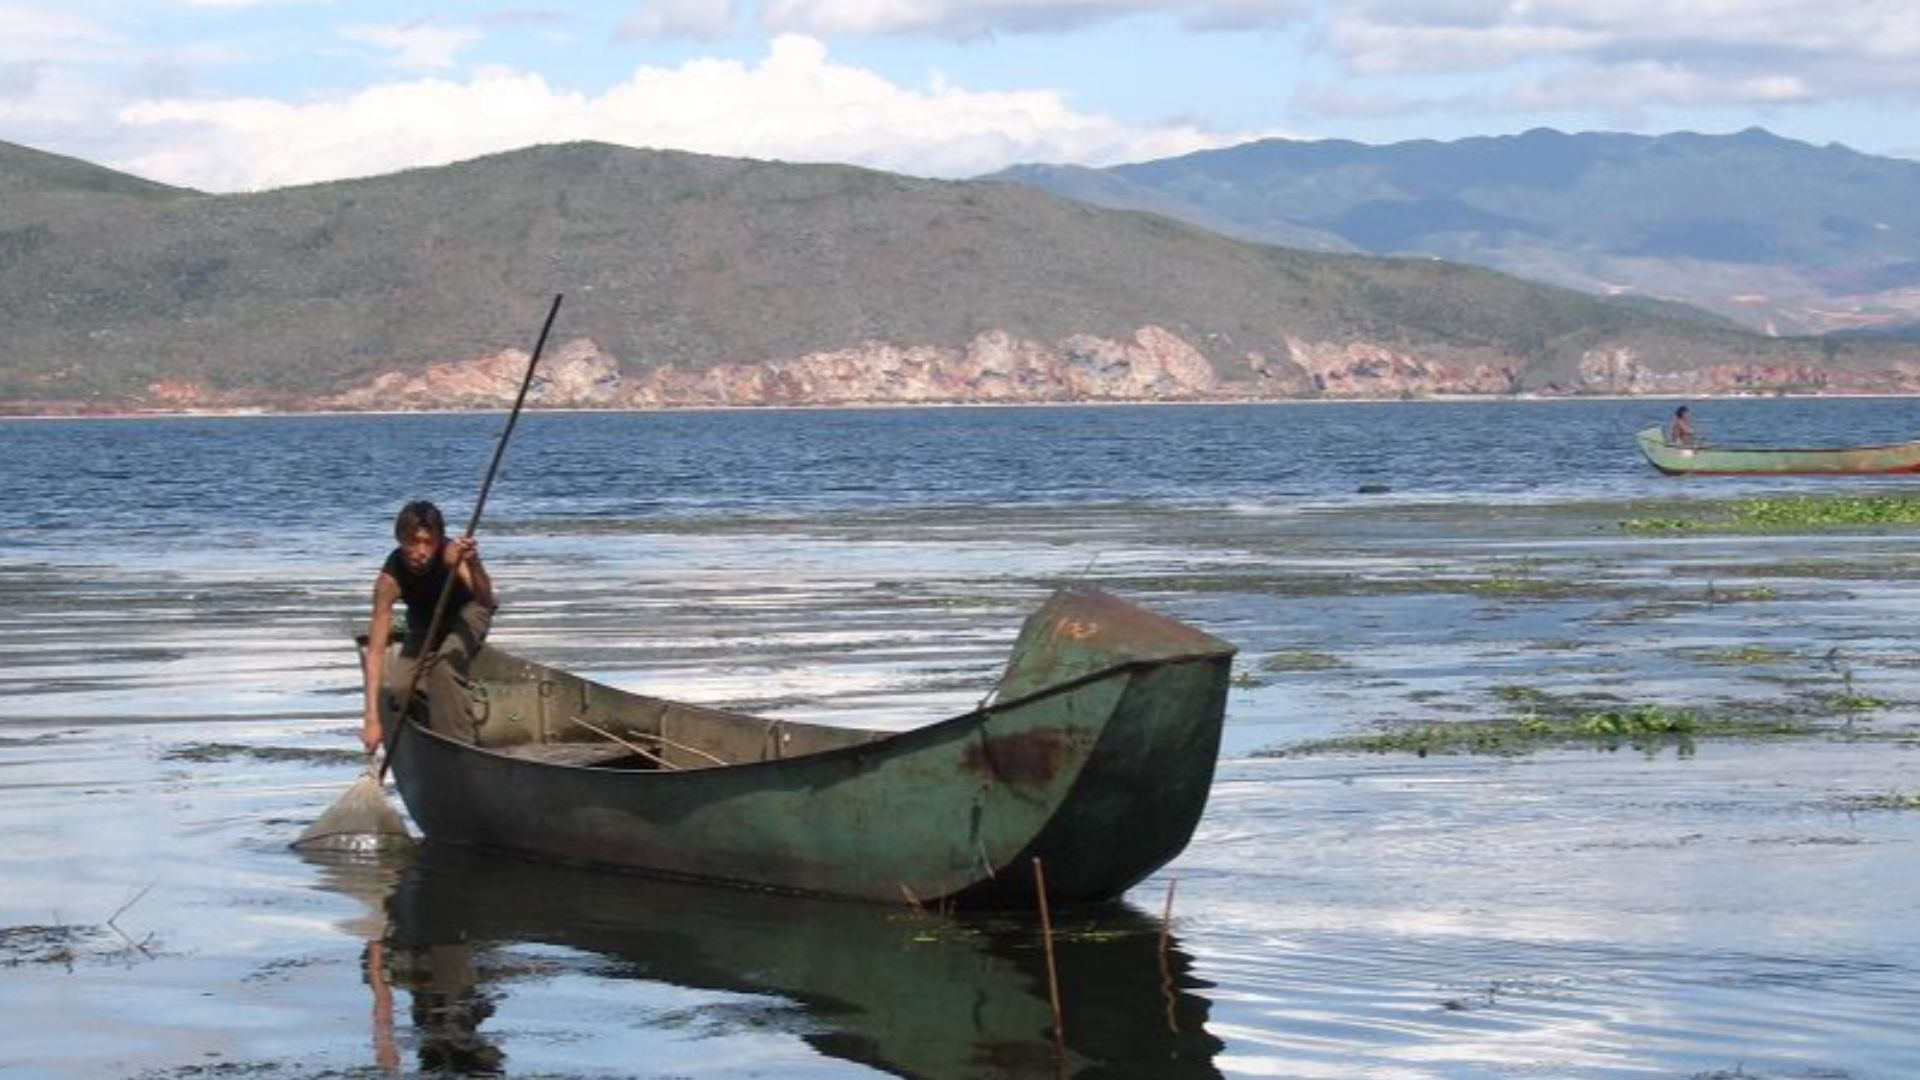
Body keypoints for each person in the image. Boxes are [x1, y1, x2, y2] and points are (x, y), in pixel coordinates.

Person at [361, 500, 496, 755]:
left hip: (468, 613)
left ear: (438, 540)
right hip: (425, 622)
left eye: (428, 542)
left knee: (443, 668)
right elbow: (376, 652)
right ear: (400, 539)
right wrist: (372, 719)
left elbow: (486, 600)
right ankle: (433, 726)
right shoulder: (389, 580)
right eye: (413, 542)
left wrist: (474, 563)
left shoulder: (450, 554)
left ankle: (460, 748)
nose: (421, 551)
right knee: (400, 691)